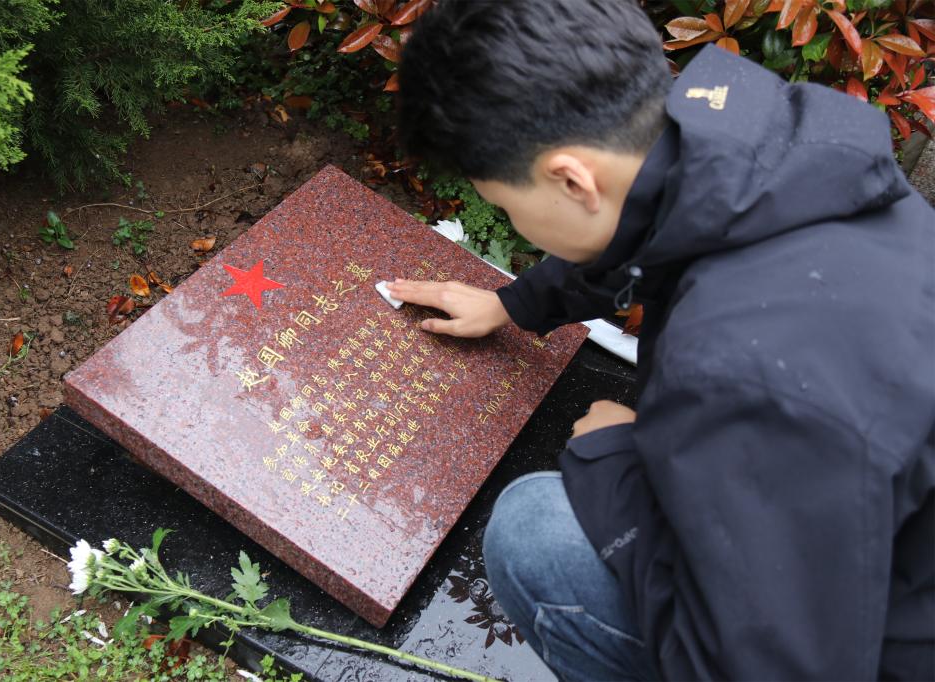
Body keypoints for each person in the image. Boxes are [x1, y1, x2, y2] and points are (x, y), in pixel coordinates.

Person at [386, 1, 935, 680]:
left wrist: (617, 459)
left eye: (505, 204)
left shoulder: (740, 369)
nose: (513, 221)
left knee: (534, 528)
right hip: (884, 543)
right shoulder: (775, 153)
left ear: (571, 179)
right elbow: (651, 228)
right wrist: (512, 302)